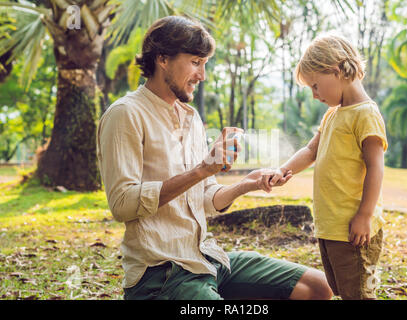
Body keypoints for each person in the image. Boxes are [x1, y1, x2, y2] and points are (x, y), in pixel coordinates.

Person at [96, 15, 332, 300]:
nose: (202, 75)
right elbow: (122, 204)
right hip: (160, 274)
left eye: (204, 64)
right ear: (162, 59)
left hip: (205, 258)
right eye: (196, 62)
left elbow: (205, 198)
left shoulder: (191, 118)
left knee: (317, 288)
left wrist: (248, 184)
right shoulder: (126, 114)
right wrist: (199, 171)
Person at [269, 34, 388, 300]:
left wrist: (365, 216)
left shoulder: (365, 114)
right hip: (331, 227)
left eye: (315, 86)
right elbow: (311, 150)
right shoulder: (334, 114)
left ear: (335, 71)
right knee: (341, 289)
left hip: (354, 229)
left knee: (358, 293)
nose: (314, 95)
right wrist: (283, 170)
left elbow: (376, 168)